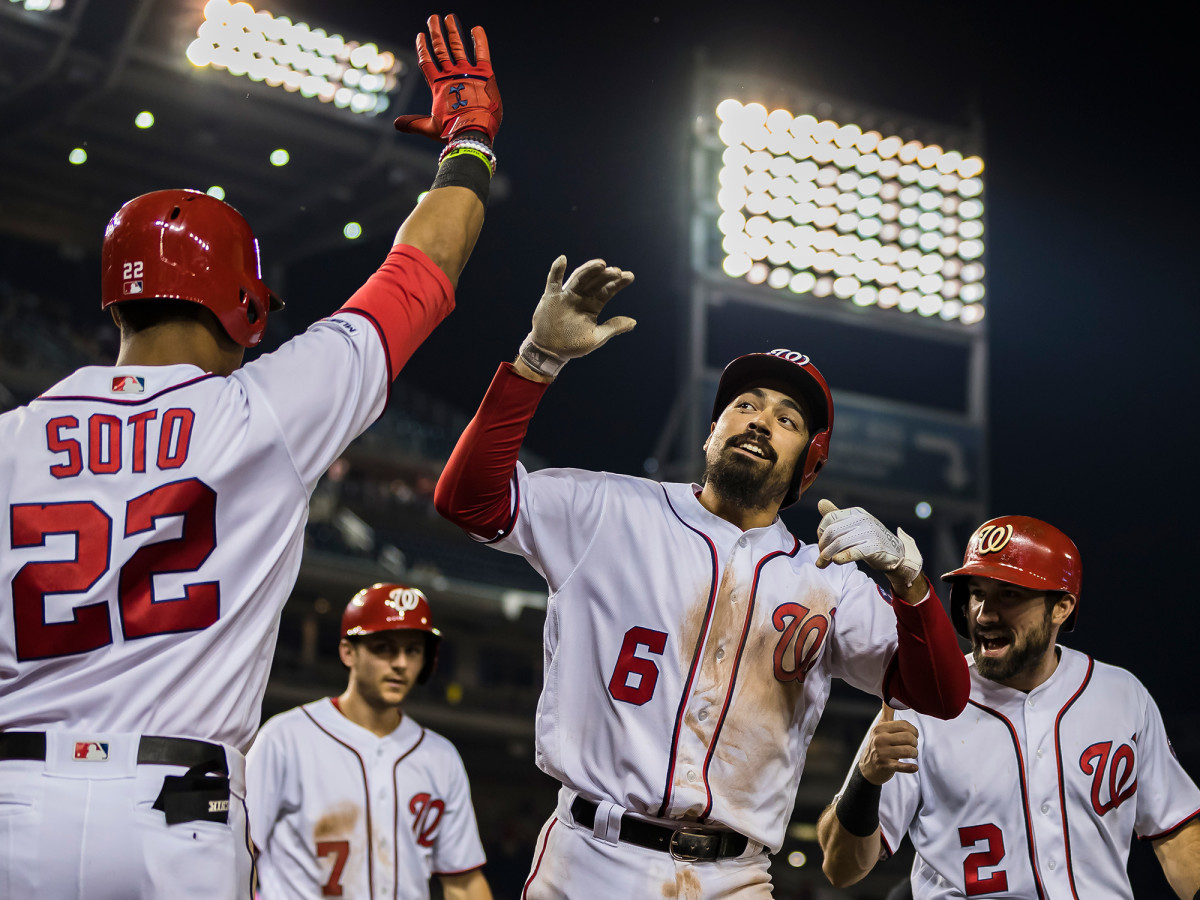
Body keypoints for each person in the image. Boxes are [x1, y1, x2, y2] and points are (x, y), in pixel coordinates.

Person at [0, 14, 501, 898]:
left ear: (117, 301)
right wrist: (469, 145)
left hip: (14, 799)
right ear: (244, 307)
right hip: (175, 812)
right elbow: (422, 270)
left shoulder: (10, 439)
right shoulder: (267, 411)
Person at [432, 257, 971, 898]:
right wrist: (537, 360)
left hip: (733, 876)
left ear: (810, 462)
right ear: (713, 431)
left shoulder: (830, 580)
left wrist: (910, 583)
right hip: (590, 857)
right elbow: (468, 502)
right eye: (745, 405)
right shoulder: (612, 509)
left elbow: (943, 695)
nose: (759, 420)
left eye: (787, 419)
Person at [817, 515, 1200, 899]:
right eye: (977, 593)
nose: (984, 614)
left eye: (1009, 595)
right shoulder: (925, 702)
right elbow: (841, 868)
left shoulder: (1121, 696)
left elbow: (1177, 830)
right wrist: (865, 779)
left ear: (1062, 607)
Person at [246, 583, 492, 900]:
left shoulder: (441, 757)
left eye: (413, 650)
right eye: (384, 648)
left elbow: (464, 883)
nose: (401, 663)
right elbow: (240, 851)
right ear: (348, 652)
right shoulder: (284, 738)